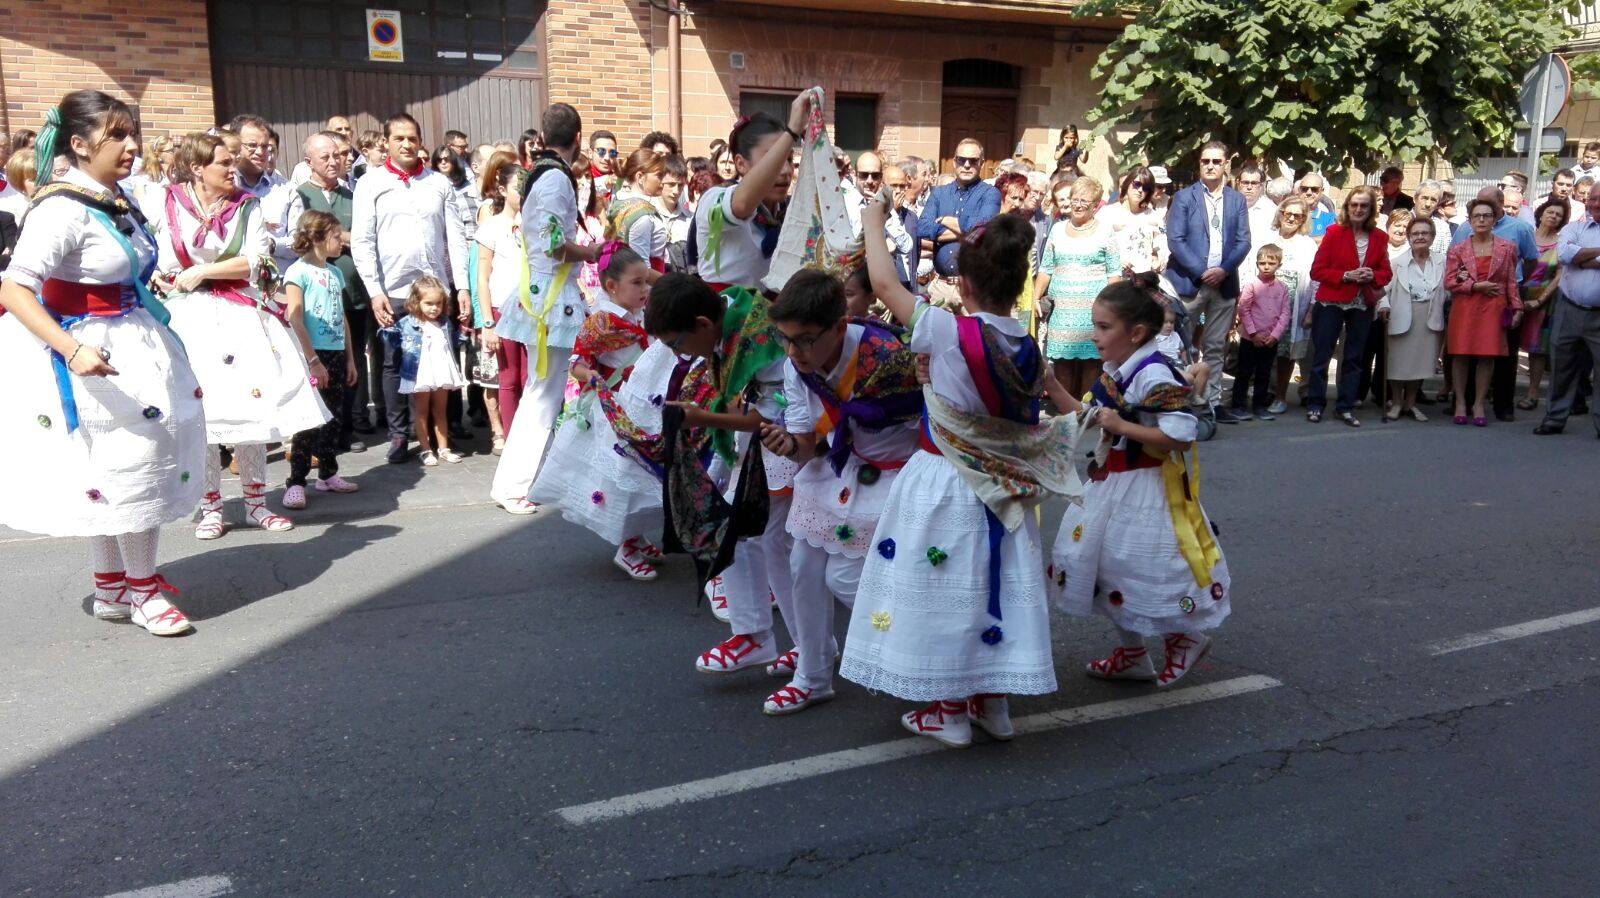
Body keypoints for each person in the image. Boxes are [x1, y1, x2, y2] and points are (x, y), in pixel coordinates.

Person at [839, 201, 1079, 747]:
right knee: (986, 581)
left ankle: (947, 708)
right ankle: (991, 704)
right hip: (1000, 487)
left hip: (945, 477)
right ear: (1019, 284)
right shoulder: (1025, 344)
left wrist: (875, 223)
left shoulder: (947, 331)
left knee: (945, 582)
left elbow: (881, 280)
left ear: (964, 284)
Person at [0, 90, 205, 635]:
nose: (132, 145)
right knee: (131, 464)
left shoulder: (115, 198)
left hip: (132, 340)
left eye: (132, 133)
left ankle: (112, 585)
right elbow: (15, 289)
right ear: (79, 143)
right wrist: (72, 350)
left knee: (117, 466)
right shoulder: (62, 208)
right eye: (117, 135)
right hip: (91, 351)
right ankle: (142, 592)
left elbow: (120, 266)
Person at [750, 268, 924, 717]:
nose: (793, 351)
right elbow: (808, 445)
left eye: (805, 339)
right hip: (839, 469)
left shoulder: (891, 362)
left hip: (899, 478)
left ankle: (924, 660)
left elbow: (935, 424)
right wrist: (788, 445)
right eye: (785, 339)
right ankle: (812, 676)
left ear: (840, 326)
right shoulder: (797, 366)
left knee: (854, 581)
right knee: (802, 565)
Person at [1051, 276, 1229, 688]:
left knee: (1139, 571)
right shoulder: (1119, 369)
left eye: (1103, 327)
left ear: (1136, 332)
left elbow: (1182, 436)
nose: (1094, 335)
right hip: (1113, 482)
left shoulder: (1153, 373)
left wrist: (1121, 427)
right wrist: (1050, 384)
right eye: (1094, 325)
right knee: (1098, 567)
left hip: (1147, 488)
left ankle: (1184, 639)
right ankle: (1133, 653)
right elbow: (1088, 416)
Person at [150, 131, 327, 538]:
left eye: (233, 162)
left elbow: (257, 261)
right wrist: (164, 274)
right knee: (204, 415)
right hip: (189, 318)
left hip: (239, 315)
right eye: (223, 164)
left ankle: (254, 504)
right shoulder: (168, 203)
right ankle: (211, 505)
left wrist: (204, 270)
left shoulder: (248, 206)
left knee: (252, 411)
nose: (233, 170)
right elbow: (158, 255)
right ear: (197, 169)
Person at [490, 103, 602, 513]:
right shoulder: (555, 177)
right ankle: (515, 484)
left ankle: (531, 477)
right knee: (543, 395)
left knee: (544, 392)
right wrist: (590, 252)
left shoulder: (538, 173)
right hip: (552, 295)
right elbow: (555, 243)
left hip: (544, 290)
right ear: (577, 138)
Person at [530, 245, 662, 576]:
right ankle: (626, 546)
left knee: (645, 476)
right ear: (610, 286)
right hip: (617, 411)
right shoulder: (602, 322)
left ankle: (635, 535)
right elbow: (577, 361)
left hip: (643, 406)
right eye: (637, 283)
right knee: (625, 479)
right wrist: (589, 375)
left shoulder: (640, 314)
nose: (645, 289)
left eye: (646, 282)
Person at [351, 112, 470, 464]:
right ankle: (400, 434)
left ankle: (440, 436)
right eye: (398, 138)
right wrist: (375, 290)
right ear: (386, 142)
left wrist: (460, 286)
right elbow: (362, 240)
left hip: (435, 292)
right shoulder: (370, 183)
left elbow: (456, 239)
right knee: (394, 364)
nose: (406, 144)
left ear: (421, 143)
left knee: (439, 362)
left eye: (412, 138)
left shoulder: (439, 184)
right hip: (394, 291)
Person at [1164, 141, 1252, 421]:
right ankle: (1184, 399)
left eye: (1216, 161)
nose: (1211, 166)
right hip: (1190, 283)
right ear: (1199, 164)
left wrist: (1223, 270)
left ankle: (1211, 402)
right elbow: (1175, 240)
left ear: (1226, 164)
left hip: (1224, 283)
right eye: (1205, 161)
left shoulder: (1236, 199)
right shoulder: (1184, 198)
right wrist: (1203, 271)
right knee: (1182, 344)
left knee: (1215, 346)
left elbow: (1243, 241)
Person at [280, 210, 360, 507]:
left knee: (333, 416)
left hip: (337, 352)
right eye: (337, 236)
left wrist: (351, 359)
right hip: (313, 354)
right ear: (317, 237)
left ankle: (327, 473)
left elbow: (343, 320)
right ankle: (296, 481)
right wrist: (313, 359)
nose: (342, 242)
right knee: (309, 418)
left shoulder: (335, 272)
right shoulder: (297, 272)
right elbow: (295, 317)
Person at [1304, 185, 1392, 426]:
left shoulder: (1380, 237)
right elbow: (1317, 270)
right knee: (1322, 356)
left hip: (1361, 304)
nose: (1359, 209)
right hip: (1330, 300)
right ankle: (1315, 403)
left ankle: (1345, 406)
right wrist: (1346, 276)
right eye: (1354, 204)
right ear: (1347, 207)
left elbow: (1386, 273)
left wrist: (1371, 275)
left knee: (1354, 358)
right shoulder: (1333, 233)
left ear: (1371, 209)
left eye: (1364, 205)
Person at [1037, 175, 1122, 398]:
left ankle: (1086, 416)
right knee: (1062, 366)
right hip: (1062, 314)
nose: (1078, 204)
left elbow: (1114, 275)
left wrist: (1112, 311)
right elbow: (1046, 269)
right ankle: (1067, 417)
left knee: (1092, 367)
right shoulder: (1057, 230)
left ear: (1095, 206)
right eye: (1075, 198)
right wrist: (1035, 299)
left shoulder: (1106, 231)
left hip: (1094, 314)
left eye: (1085, 201)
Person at [1445, 197, 1523, 426]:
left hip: (1493, 307)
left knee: (1487, 356)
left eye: (1486, 215)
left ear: (1495, 219)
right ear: (1469, 220)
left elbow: (1511, 281)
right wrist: (1474, 286)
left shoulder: (1507, 248)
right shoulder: (1458, 249)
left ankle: (1479, 403)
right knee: (1460, 355)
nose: (1481, 219)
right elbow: (1449, 281)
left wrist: (1517, 307)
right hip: (1465, 306)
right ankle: (1460, 402)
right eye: (1477, 216)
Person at [473, 152, 529, 457]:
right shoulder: (492, 226)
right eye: (517, 187)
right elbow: (482, 277)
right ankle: (510, 439)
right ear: (503, 190)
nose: (522, 193)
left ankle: (529, 435)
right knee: (507, 379)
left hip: (531, 311)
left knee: (528, 377)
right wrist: (487, 323)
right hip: (502, 311)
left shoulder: (533, 225)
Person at [1535, 187, 1600, 436]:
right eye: (1592, 199)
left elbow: (1573, 256)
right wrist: (1594, 254)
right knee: (1561, 367)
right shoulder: (1574, 228)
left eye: (1599, 200)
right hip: (1569, 309)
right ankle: (1554, 418)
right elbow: (1563, 254)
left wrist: (1579, 256)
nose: (1595, 204)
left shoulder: (1577, 235)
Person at [387, 277, 466, 464]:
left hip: (441, 370)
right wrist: (387, 331)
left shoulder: (445, 322)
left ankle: (444, 448)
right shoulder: (408, 323)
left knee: (440, 411)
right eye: (429, 303)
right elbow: (394, 341)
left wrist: (463, 332)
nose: (434, 308)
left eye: (438, 303)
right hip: (420, 372)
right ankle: (425, 449)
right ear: (417, 302)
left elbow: (454, 342)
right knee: (421, 412)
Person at [918, 138, 1000, 310]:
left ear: (982, 163)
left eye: (973, 160)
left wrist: (947, 221)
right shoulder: (939, 194)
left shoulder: (991, 194)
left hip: (974, 288)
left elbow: (984, 227)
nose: (967, 165)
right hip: (940, 287)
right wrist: (966, 230)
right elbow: (922, 228)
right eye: (962, 160)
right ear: (954, 162)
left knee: (972, 337)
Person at [1378, 216, 1446, 421]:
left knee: (1420, 364)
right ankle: (1397, 402)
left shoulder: (1442, 261)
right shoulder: (1397, 263)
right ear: (1408, 237)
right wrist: (1384, 306)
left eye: (1425, 233)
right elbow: (1382, 289)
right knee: (1398, 364)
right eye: (1415, 233)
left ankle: (1411, 403)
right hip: (1402, 316)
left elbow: (1447, 290)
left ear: (1433, 237)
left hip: (1429, 317)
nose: (1420, 237)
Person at [1261, 198, 1319, 414]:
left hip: (1295, 308)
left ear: (1304, 219)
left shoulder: (1307, 245)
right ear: (1281, 213)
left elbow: (1315, 280)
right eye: (1288, 213)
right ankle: (1261, 393)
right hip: (1264, 305)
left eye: (1298, 215)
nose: (1292, 218)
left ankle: (1280, 397)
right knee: (1263, 350)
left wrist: (1311, 309)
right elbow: (1252, 269)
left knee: (1286, 353)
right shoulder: (1267, 239)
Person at [1518, 199, 1569, 411]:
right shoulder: (1525, 235)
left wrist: (1540, 300)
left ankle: (1532, 394)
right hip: (1518, 297)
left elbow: (1561, 274)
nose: (1554, 216)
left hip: (1544, 303)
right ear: (1540, 213)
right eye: (1550, 212)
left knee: (1537, 350)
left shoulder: (1561, 243)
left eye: (1558, 214)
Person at [1230, 245, 1290, 420]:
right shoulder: (1251, 285)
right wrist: (1253, 333)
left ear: (1279, 264)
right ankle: (1238, 405)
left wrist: (1275, 335)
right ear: (1256, 263)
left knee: (1264, 373)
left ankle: (1259, 405)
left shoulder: (1282, 288)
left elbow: (1286, 313)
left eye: (1271, 263)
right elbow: (1244, 309)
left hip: (1270, 339)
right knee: (1244, 372)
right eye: (1262, 263)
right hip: (1251, 338)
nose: (1266, 266)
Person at [606, 147, 670, 277]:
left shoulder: (620, 198)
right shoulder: (643, 216)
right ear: (640, 177)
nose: (663, 181)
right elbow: (641, 268)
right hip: (644, 285)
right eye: (659, 175)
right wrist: (669, 286)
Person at [1096, 166, 1165, 276]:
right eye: (1136, 184)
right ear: (1127, 184)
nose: (1140, 190)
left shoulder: (1153, 216)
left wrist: (1159, 259)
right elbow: (1095, 244)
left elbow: (1161, 246)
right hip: (1116, 278)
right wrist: (1114, 260)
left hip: (1144, 279)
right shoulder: (1106, 213)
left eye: (1146, 187)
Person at [1297, 173, 1335, 238]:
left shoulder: (1331, 219)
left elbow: (1333, 242)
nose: (1309, 193)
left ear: (1322, 191)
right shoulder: (1288, 215)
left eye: (1314, 189)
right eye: (1304, 189)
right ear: (1299, 190)